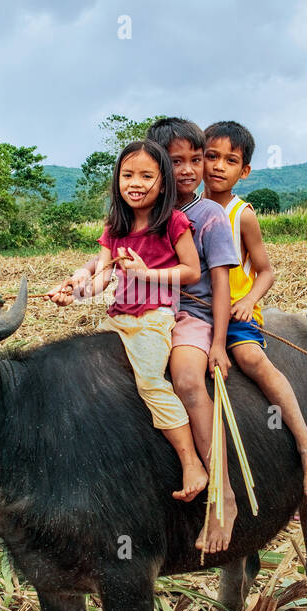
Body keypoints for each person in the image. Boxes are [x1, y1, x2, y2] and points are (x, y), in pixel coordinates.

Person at [51, 139, 209, 504]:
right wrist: (73, 292)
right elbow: (102, 279)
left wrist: (146, 272)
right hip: (118, 318)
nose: (135, 183)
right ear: (117, 180)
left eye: (146, 176)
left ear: (163, 183)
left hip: (154, 319)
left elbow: (190, 271)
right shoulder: (115, 226)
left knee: (151, 381)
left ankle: (191, 462)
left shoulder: (173, 222)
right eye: (127, 175)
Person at [203, 120, 307, 497]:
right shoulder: (187, 210)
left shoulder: (241, 215)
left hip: (237, 313)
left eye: (230, 160)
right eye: (211, 156)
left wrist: (248, 301)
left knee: (253, 360)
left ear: (243, 172)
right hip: (197, 312)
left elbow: (266, 271)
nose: (217, 166)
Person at [145, 117, 241, 552]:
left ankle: (222, 493)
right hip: (150, 315)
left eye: (195, 159)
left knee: (185, 378)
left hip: (193, 317)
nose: (186, 169)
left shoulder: (211, 215)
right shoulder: (148, 214)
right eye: (175, 161)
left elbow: (220, 282)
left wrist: (218, 342)